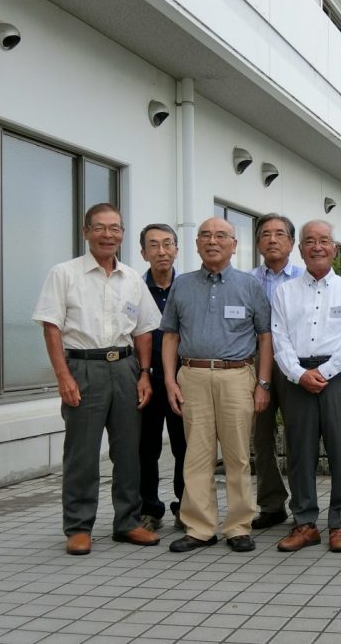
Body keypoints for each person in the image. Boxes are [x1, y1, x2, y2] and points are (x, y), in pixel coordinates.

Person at [32, 203, 162, 555]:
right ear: (86, 231)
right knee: (82, 453)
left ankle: (128, 521)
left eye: (115, 228)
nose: (108, 234)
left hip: (125, 368)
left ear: (122, 234)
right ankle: (78, 526)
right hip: (83, 368)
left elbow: (144, 330)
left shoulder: (132, 278)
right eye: (100, 227)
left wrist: (144, 374)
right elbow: (51, 328)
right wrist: (63, 376)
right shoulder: (64, 273)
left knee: (129, 452)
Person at [161, 217, 274, 553]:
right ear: (196, 243)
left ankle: (238, 526)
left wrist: (263, 383)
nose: (213, 241)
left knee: (238, 455)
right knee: (196, 455)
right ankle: (199, 527)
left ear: (234, 245)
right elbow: (170, 335)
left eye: (221, 236)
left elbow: (265, 337)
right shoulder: (182, 285)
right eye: (206, 235)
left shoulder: (249, 285)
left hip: (237, 376)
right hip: (192, 376)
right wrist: (169, 379)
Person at [271, 220, 341, 552]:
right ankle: (305, 523)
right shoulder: (284, 292)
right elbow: (279, 339)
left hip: (339, 375)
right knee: (300, 451)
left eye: (324, 240)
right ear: (300, 249)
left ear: (334, 249)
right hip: (297, 375)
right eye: (310, 241)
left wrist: (322, 372)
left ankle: (340, 524)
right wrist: (299, 374)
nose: (317, 247)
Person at [250, 213, 302, 530]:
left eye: (280, 234)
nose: (272, 239)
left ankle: (302, 505)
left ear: (292, 242)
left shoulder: (304, 279)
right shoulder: (247, 281)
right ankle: (271, 504)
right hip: (257, 363)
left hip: (294, 362)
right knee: (261, 436)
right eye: (265, 234)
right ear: (258, 243)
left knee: (298, 434)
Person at [137, 223, 188, 531]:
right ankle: (149, 509)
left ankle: (186, 506)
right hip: (145, 381)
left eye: (167, 244)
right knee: (146, 448)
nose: (161, 251)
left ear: (177, 250)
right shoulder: (134, 288)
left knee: (185, 447)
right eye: (153, 245)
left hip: (183, 381)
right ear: (144, 253)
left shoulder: (189, 288)